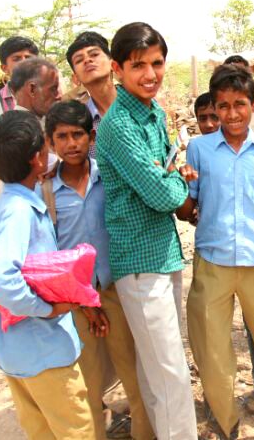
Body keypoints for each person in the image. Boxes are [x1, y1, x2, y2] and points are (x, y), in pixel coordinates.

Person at [179, 64, 254, 440]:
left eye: (239, 105)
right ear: (214, 108)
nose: (231, 114)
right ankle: (225, 420)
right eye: (223, 107)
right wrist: (179, 184)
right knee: (212, 350)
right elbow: (188, 211)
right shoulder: (198, 149)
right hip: (212, 262)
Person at [95, 22, 198, 440]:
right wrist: (173, 179)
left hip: (162, 253)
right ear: (118, 69)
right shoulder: (119, 125)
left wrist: (168, 174)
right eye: (138, 65)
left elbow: (168, 171)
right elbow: (161, 193)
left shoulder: (153, 113)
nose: (150, 73)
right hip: (139, 262)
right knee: (170, 370)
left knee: (160, 368)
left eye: (156, 63)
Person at [40, 101, 154, 440]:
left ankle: (145, 434)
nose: (71, 143)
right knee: (87, 381)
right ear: (50, 143)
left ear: (92, 137)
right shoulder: (45, 191)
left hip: (115, 287)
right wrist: (80, 302)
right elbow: (50, 251)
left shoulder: (109, 176)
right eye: (62, 137)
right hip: (74, 301)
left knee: (133, 372)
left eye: (78, 134)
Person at [0, 110, 95, 439]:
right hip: (46, 353)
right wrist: (46, 309)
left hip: (19, 355)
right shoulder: (21, 211)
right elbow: (2, 278)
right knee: (77, 431)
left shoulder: (7, 204)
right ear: (38, 157)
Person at [0, 36, 39, 224]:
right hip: (7, 187)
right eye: (16, 58)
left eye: (28, 57)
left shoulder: (49, 99)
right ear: (5, 67)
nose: (23, 62)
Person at [66, 31, 117, 155]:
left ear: (112, 63)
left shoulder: (139, 104)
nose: (87, 60)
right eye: (79, 60)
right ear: (76, 78)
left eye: (94, 54)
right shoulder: (79, 122)